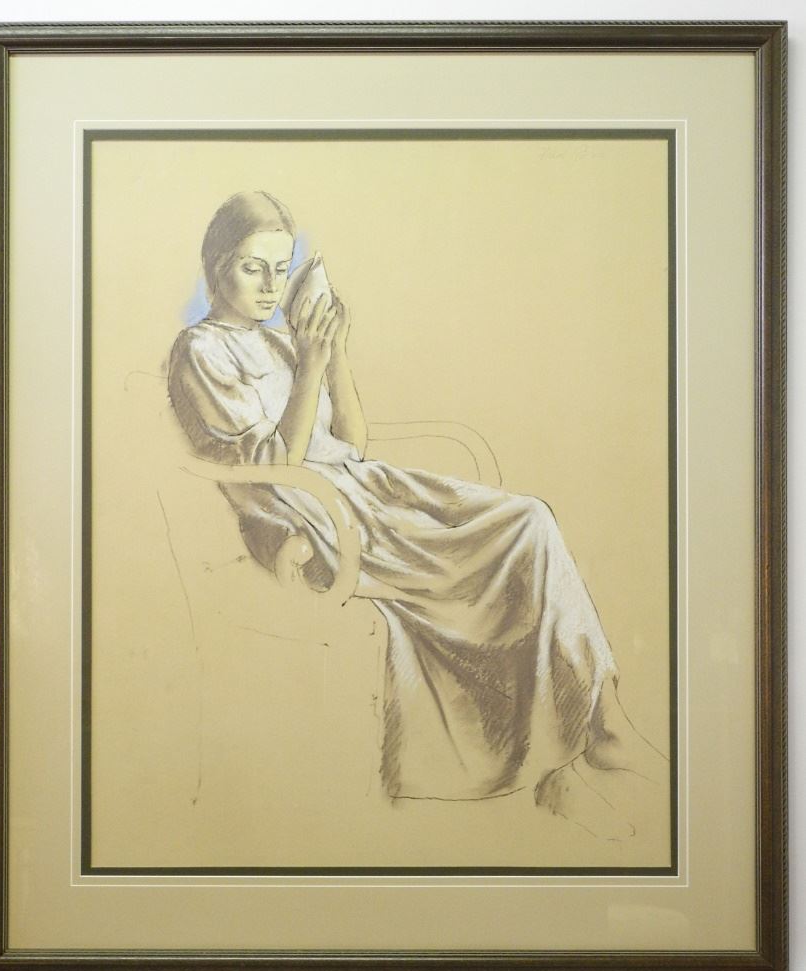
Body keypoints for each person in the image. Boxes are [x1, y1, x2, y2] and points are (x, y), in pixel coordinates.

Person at [168, 191, 667, 838]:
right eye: (252, 268)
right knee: (509, 548)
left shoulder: (282, 341)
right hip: (309, 508)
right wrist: (311, 362)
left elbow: (351, 442)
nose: (270, 286)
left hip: (359, 486)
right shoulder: (201, 349)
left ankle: (590, 724)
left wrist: (333, 352)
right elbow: (278, 465)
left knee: (530, 520)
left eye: (281, 269)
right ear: (216, 267)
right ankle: (588, 744)